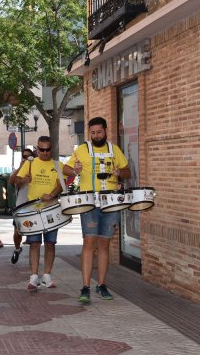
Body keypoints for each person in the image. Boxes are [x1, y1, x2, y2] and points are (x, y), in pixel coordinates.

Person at [63, 117, 131, 304]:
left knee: (104, 245)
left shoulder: (114, 150)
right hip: (90, 203)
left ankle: (101, 285)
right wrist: (74, 170)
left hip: (110, 203)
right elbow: (66, 169)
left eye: (99, 132)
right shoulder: (82, 149)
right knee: (89, 242)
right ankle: (85, 287)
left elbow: (128, 172)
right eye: (92, 133)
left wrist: (119, 174)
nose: (95, 136)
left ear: (106, 131)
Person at [15, 137, 64, 291]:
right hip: (33, 210)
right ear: (37, 149)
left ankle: (47, 276)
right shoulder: (30, 163)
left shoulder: (58, 165)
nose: (44, 152)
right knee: (34, 243)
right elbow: (16, 181)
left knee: (50, 243)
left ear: (51, 149)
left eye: (47, 149)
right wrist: (23, 180)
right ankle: (34, 276)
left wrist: (52, 194)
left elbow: (60, 185)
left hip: (51, 208)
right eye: (41, 149)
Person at [8, 148, 34, 264]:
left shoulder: (35, 169)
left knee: (34, 236)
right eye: (24, 156)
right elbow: (11, 182)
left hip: (33, 206)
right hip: (20, 206)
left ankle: (33, 259)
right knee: (17, 233)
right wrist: (21, 168)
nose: (26, 158)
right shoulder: (17, 171)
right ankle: (17, 249)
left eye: (29, 157)